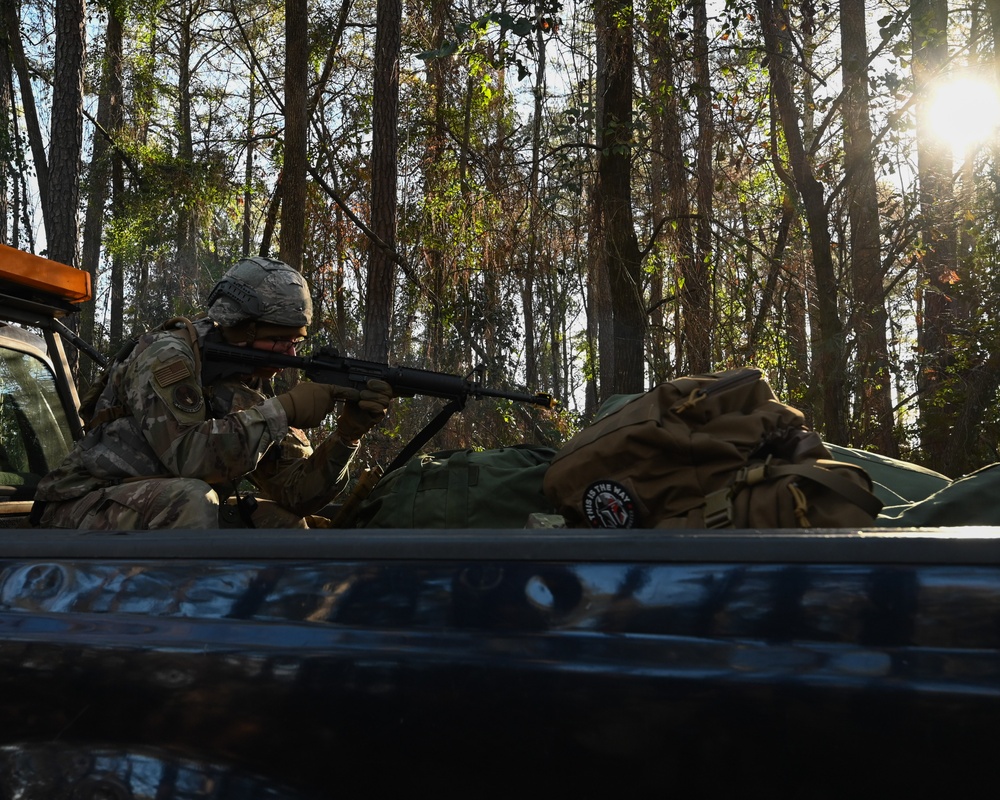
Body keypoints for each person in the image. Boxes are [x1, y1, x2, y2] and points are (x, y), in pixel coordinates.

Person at [33, 256, 392, 529]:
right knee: (192, 499)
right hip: (79, 504)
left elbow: (297, 495)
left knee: (282, 523)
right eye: (279, 341)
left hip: (141, 506)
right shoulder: (168, 355)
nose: (291, 355)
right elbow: (187, 456)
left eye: (295, 342)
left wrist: (347, 435)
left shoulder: (242, 382)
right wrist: (282, 411)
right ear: (244, 329)